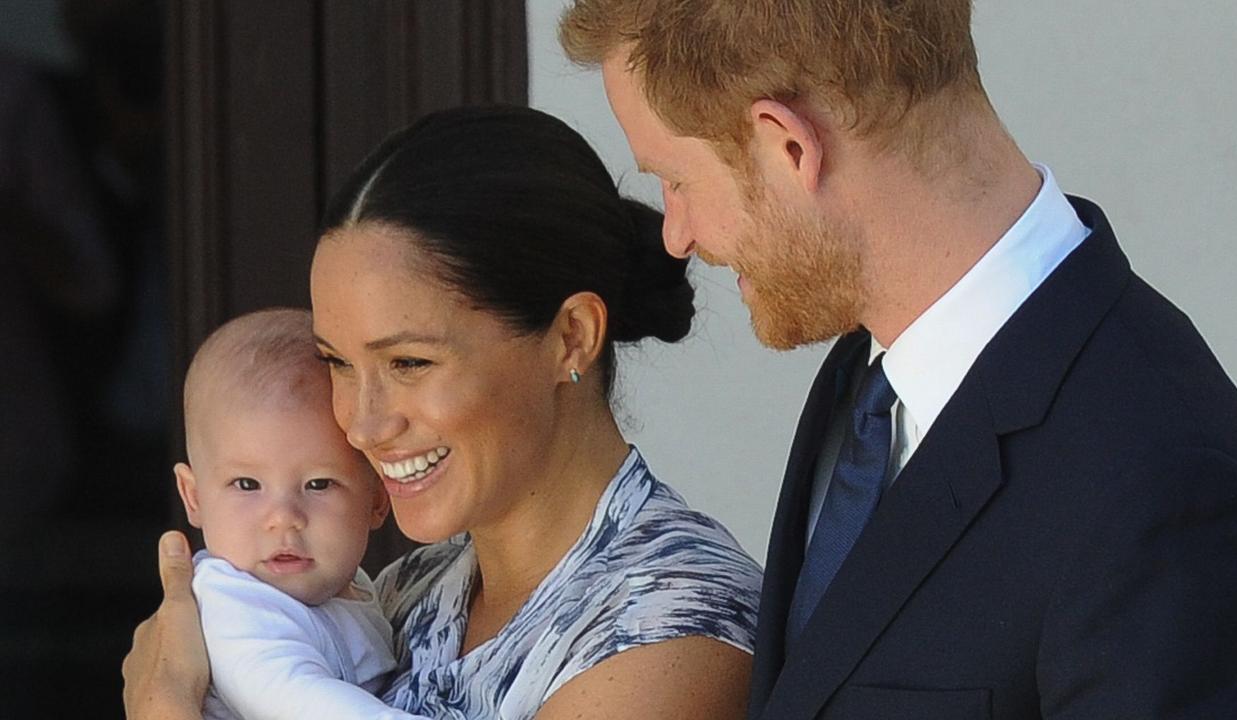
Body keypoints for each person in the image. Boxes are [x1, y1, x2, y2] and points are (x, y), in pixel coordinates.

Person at [559, 1, 1237, 718]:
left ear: (788, 146)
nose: (678, 235)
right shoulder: (870, 378)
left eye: (676, 181)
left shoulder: (1165, 488)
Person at [123, 105, 762, 720]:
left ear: (570, 336)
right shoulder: (407, 592)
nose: (362, 424)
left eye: (409, 364)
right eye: (338, 363)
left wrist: (163, 704)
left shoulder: (674, 629)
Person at [174, 307, 414, 719]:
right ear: (194, 498)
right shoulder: (233, 608)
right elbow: (297, 701)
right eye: (247, 485)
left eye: (318, 484)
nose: (284, 517)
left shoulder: (353, 587)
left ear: (377, 499)